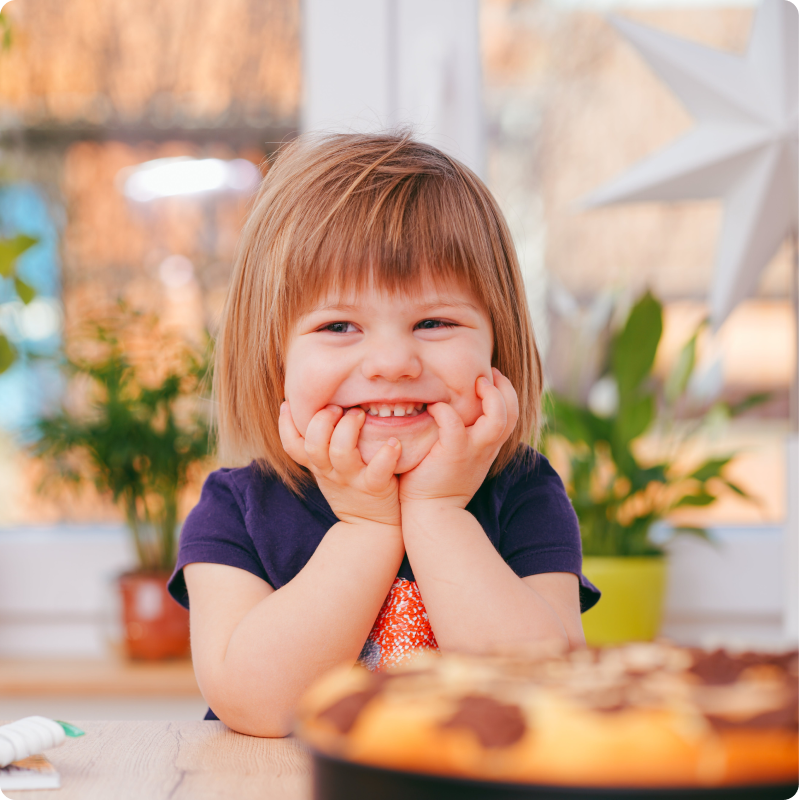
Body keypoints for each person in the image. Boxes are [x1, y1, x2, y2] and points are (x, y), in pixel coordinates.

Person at [168, 132, 600, 737]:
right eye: (340, 325)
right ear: (274, 360)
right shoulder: (235, 509)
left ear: (498, 346)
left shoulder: (524, 492)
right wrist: (367, 527)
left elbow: (544, 696)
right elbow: (255, 705)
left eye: (435, 321)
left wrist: (438, 514)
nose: (392, 361)